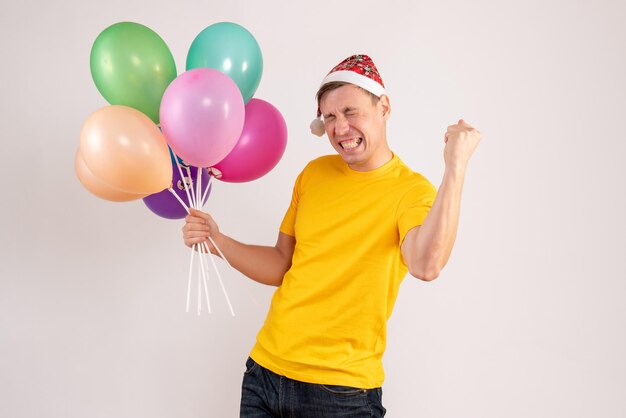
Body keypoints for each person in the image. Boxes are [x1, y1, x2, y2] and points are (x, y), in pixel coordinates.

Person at [182, 54, 481, 417]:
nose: (340, 129)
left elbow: (426, 264)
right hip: (265, 373)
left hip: (342, 392)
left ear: (383, 106)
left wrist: (455, 167)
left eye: (351, 112)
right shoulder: (314, 174)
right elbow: (281, 264)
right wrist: (218, 240)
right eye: (330, 117)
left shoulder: (411, 192)